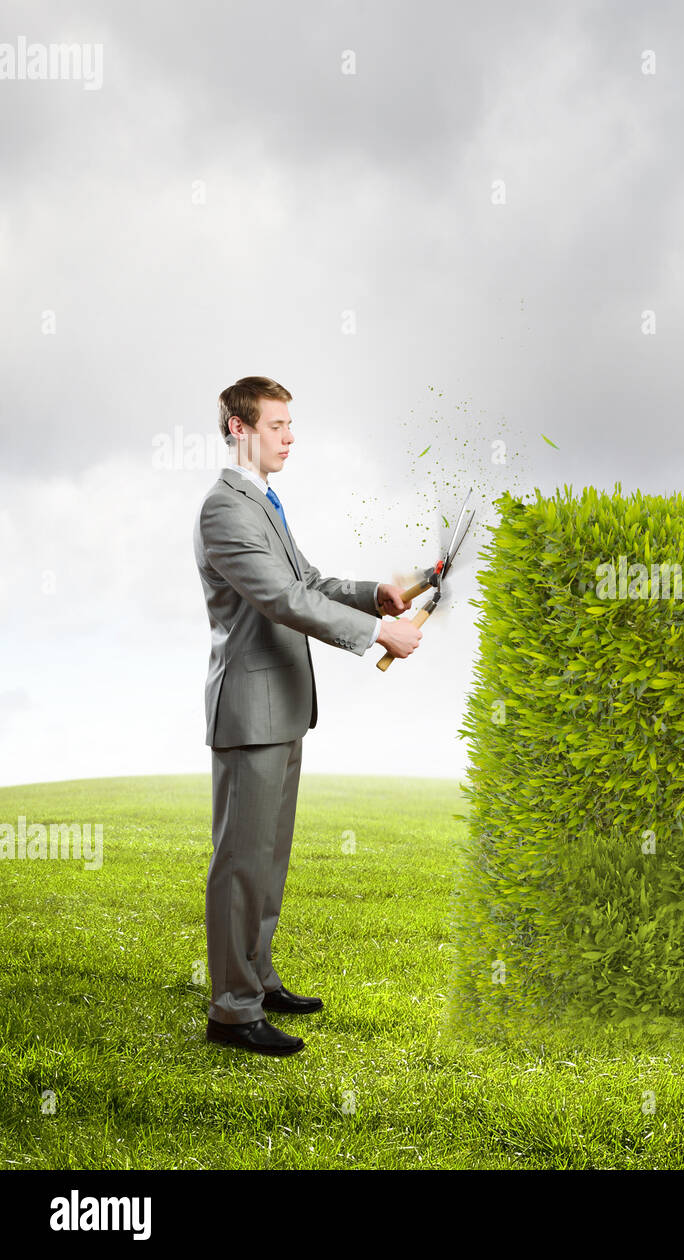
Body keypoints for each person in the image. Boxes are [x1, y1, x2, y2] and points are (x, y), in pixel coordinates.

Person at [193, 376, 422, 1056]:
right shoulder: (224, 509)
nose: (290, 437)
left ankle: (257, 978)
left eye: (292, 424)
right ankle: (231, 1012)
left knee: (268, 859)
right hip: (249, 711)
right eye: (277, 425)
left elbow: (311, 583)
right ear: (239, 428)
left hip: (284, 708)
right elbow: (282, 600)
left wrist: (372, 596)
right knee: (240, 864)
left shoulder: (264, 502)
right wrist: (377, 636)